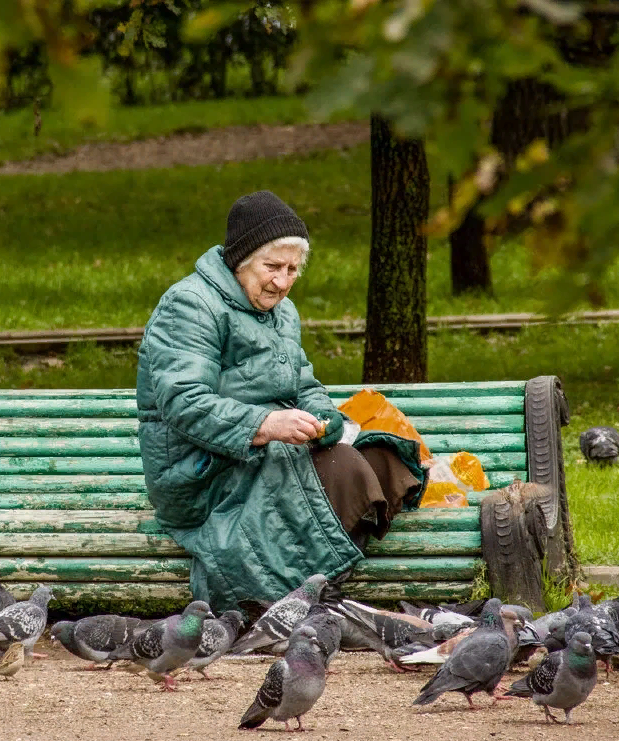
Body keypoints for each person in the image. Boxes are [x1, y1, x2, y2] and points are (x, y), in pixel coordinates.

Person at [136, 190, 426, 611]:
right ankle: (282, 604)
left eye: (292, 269)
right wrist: (265, 426)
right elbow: (183, 401)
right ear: (240, 259)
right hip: (203, 469)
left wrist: (324, 418)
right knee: (344, 469)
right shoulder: (191, 305)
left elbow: (303, 385)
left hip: (264, 451)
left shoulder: (282, 311)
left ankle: (312, 591)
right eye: (272, 267)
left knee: (384, 459)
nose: (283, 281)